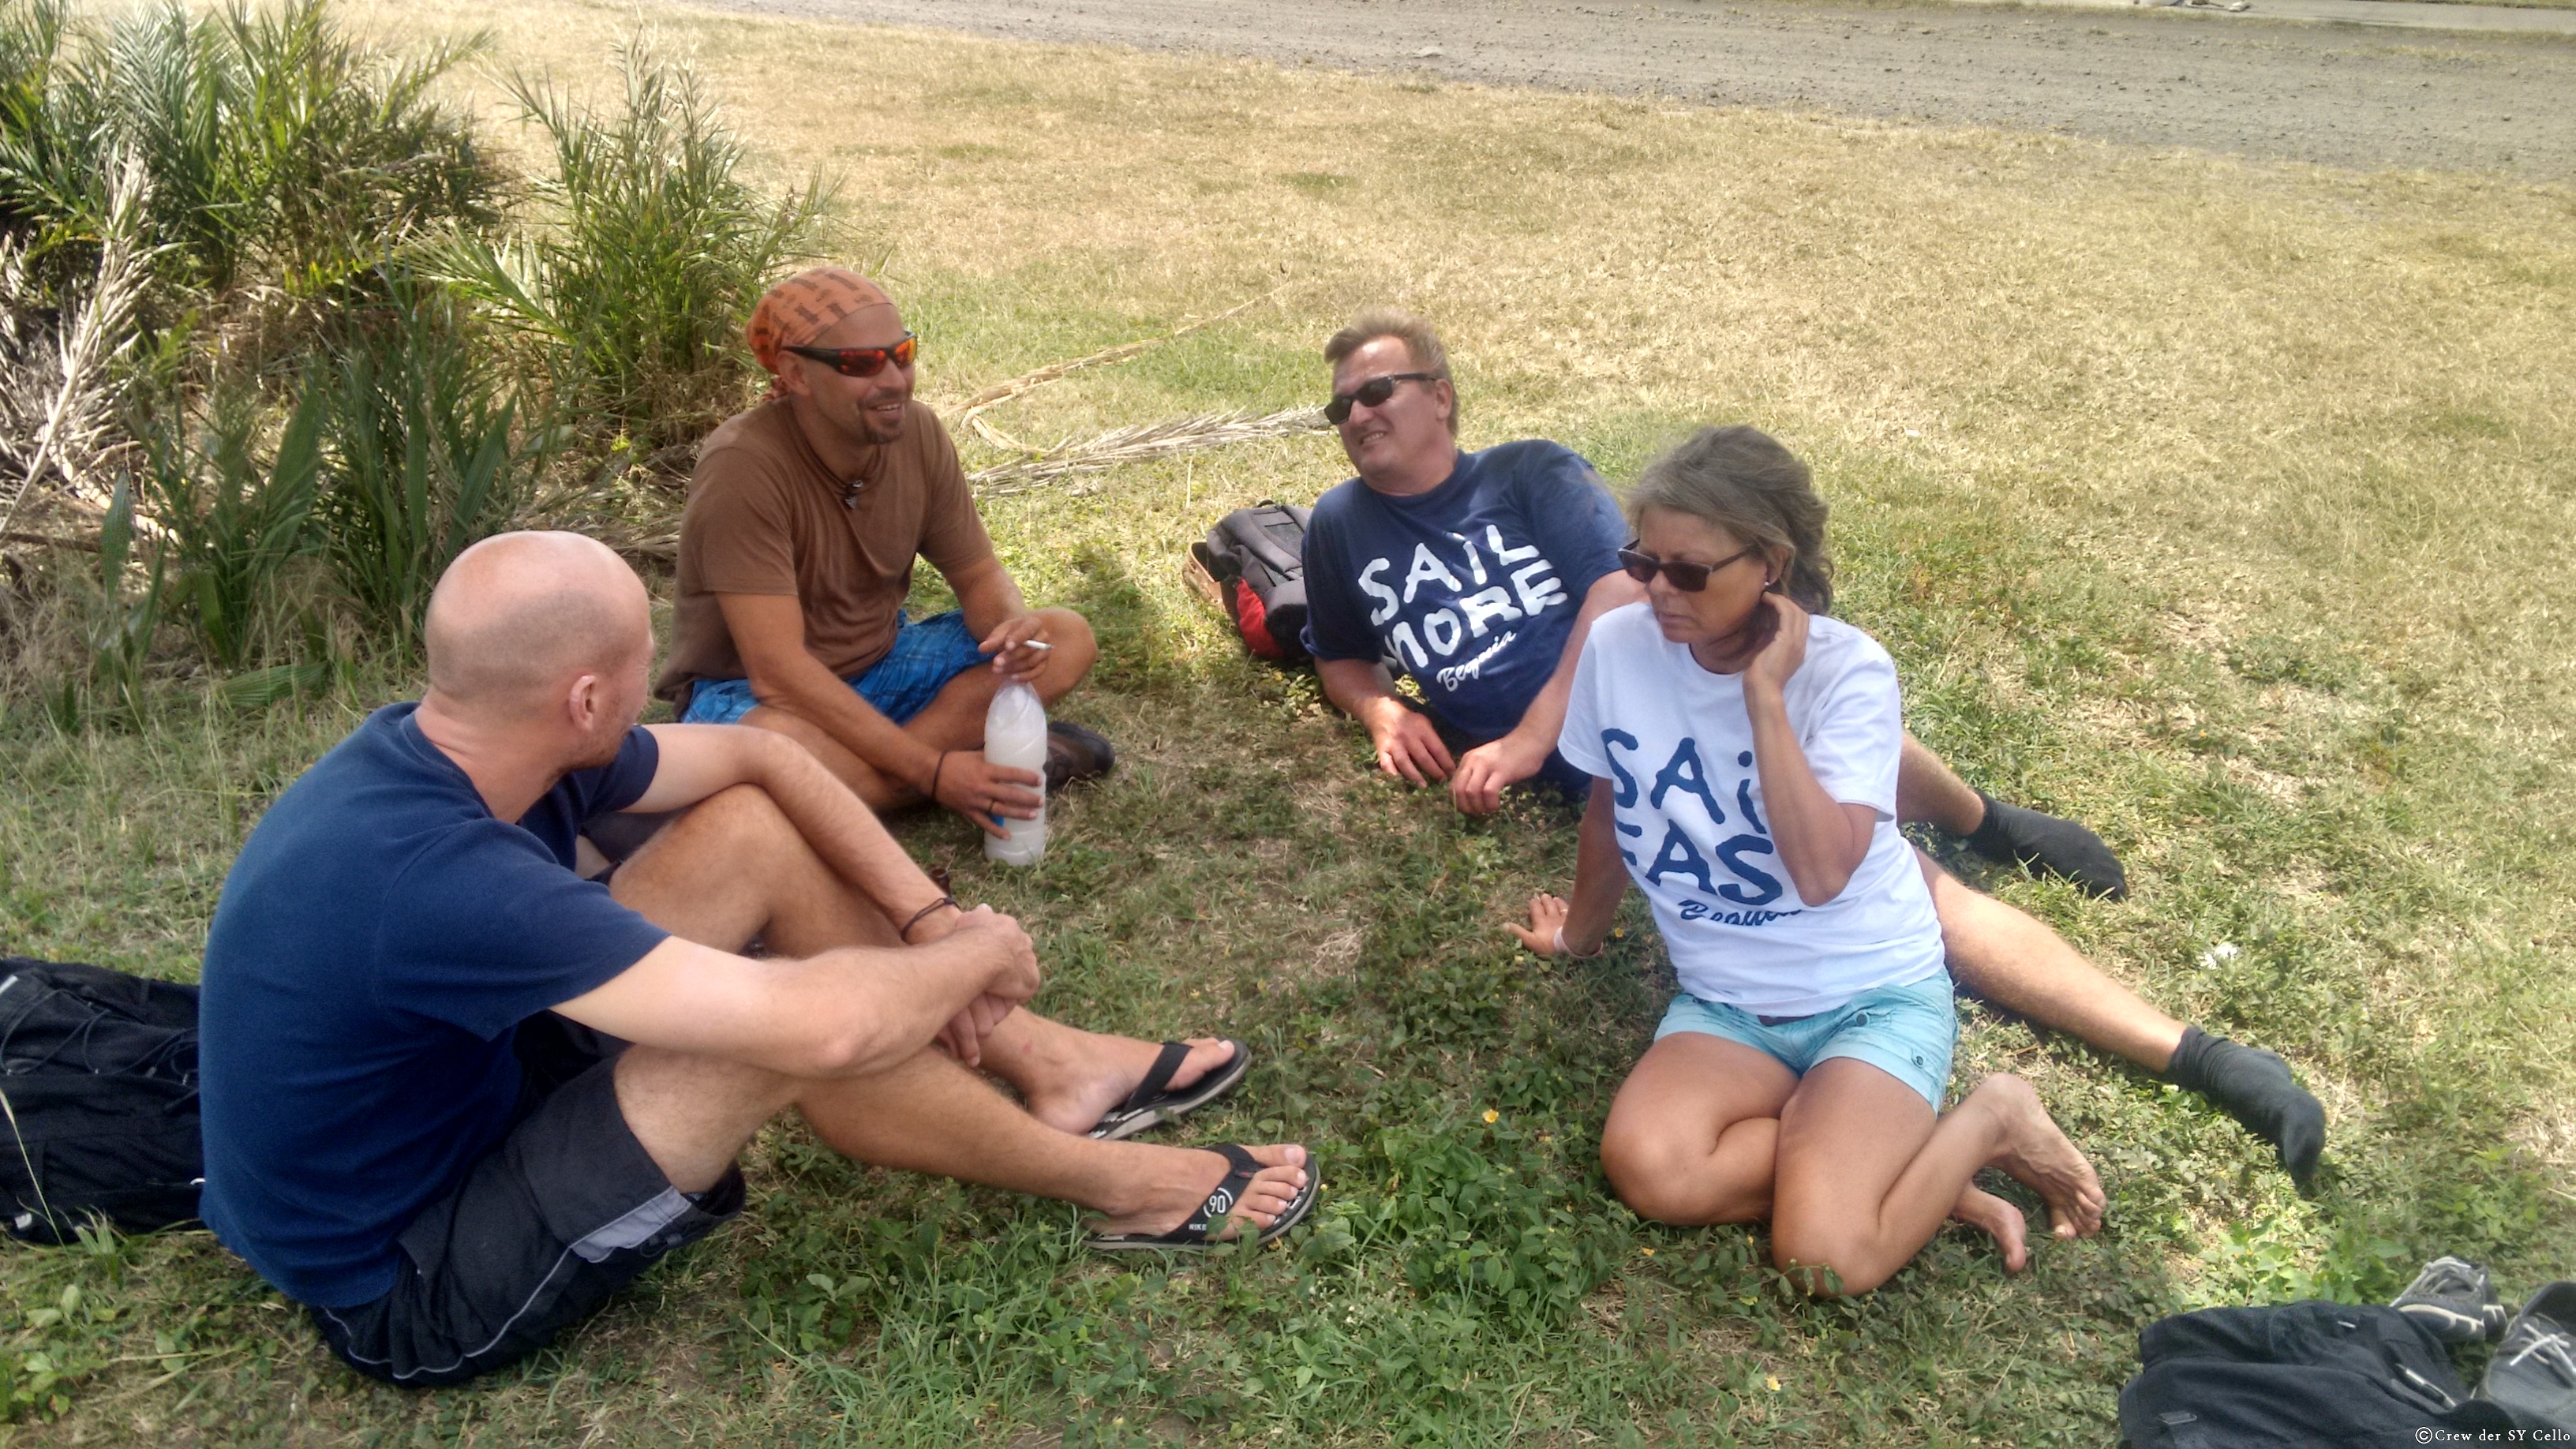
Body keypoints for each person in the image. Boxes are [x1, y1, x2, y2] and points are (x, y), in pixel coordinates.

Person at [197, 532, 1314, 1387]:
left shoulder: (470, 744)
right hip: (409, 1274)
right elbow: (823, 1030)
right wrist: (976, 955)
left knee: (749, 831)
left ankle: (1055, 1067)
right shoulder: (444, 879)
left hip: (473, 1088)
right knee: (776, 1036)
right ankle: (1128, 1185)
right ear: (585, 699)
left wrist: (929, 921)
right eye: (642, 666)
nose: (657, 684)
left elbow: (759, 757)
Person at [1301, 310, 2325, 1187]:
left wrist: (1530, 736)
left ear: (1441, 394)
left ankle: (2064, 909)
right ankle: (1926, 1125)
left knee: (1873, 828)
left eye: (1377, 389)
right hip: (1629, 738)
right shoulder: (1341, 525)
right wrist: (1382, 712)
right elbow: (1340, 652)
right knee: (1826, 819)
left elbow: (1624, 591)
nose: (1357, 415)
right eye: (1339, 405)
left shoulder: (1527, 475)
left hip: (1654, 689)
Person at [1508, 425, 2104, 1290]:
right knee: (1649, 1168)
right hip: (1730, 1007)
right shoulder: (1618, 647)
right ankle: (1901, 1172)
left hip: (1870, 997)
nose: (1658, 592)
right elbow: (1612, 803)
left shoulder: (1848, 675)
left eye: (1689, 571)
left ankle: (1990, 1119)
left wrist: (1763, 698)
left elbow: (1823, 873)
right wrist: (1580, 939)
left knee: (1823, 1260)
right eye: (1644, 564)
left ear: (1771, 566)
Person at [654, 266, 1114, 844]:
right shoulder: (742, 467)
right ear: (795, 373)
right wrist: (933, 770)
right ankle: (939, 776)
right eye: (861, 365)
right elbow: (778, 675)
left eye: (902, 354)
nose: (895, 380)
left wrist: (1009, 631)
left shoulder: (918, 433)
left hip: (883, 665)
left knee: (1063, 638)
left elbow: (977, 575)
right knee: (768, 741)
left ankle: (856, 787)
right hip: (750, 696)